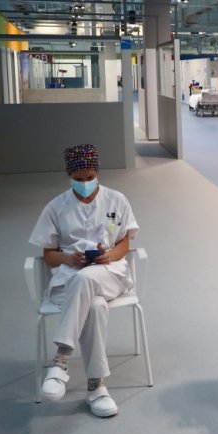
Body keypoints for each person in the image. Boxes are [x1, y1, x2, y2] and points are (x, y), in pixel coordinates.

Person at [29, 144, 139, 418]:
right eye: (79, 180)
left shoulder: (117, 200)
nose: (85, 184)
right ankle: (97, 386)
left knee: (89, 278)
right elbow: (49, 255)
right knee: (95, 306)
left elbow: (126, 240)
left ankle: (61, 359)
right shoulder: (56, 207)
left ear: (97, 173)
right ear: (69, 176)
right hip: (71, 278)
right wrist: (68, 258)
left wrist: (111, 254)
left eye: (90, 178)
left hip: (110, 273)